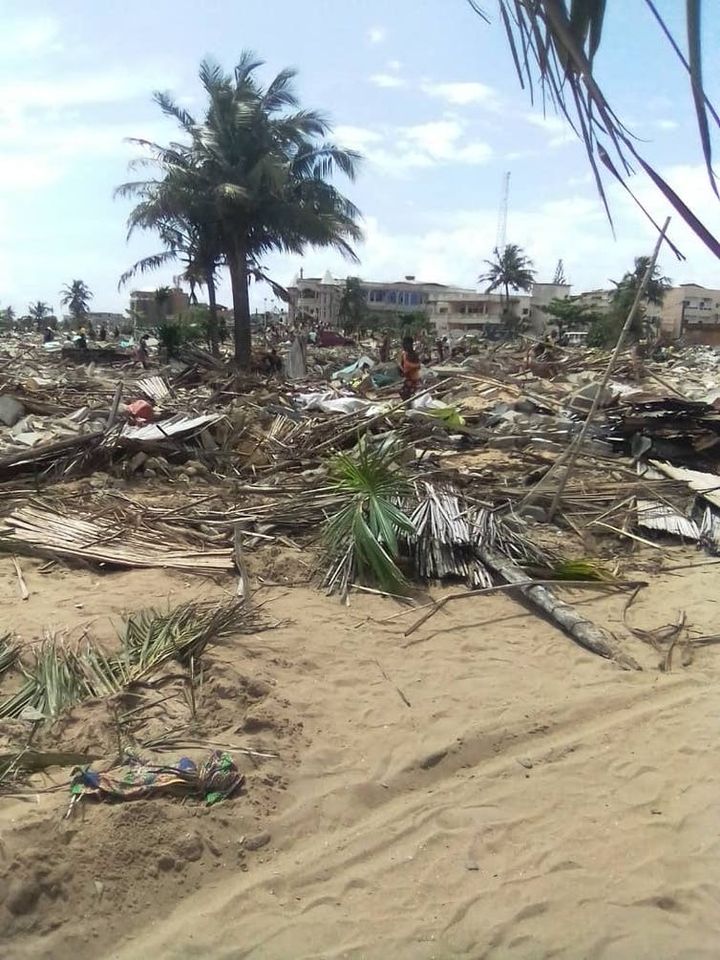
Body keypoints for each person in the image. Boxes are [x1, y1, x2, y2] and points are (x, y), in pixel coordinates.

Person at [398, 335, 422, 401]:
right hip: (408, 378)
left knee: (408, 394)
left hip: (414, 380)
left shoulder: (413, 355)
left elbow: (418, 366)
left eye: (405, 344)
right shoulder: (404, 354)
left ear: (410, 344)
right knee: (404, 393)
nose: (404, 346)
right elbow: (402, 366)